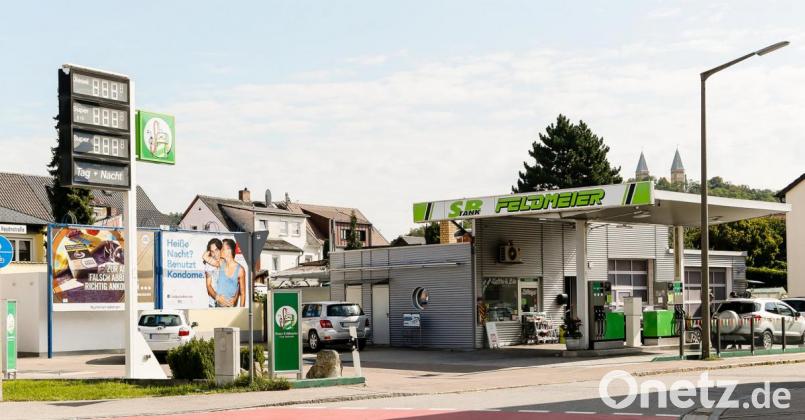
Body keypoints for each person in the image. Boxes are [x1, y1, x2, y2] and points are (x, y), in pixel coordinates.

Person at [212, 239, 247, 307]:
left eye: (222, 248)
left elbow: (243, 294)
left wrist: (241, 312)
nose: (220, 251)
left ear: (229, 250)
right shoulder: (220, 262)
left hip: (230, 309)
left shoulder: (240, 270)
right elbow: (206, 257)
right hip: (217, 307)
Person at [203, 238, 227, 306]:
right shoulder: (209, 265)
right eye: (212, 251)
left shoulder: (227, 262)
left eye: (216, 250)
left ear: (221, 249)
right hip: (213, 303)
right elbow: (208, 285)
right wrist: (217, 298)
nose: (214, 254)